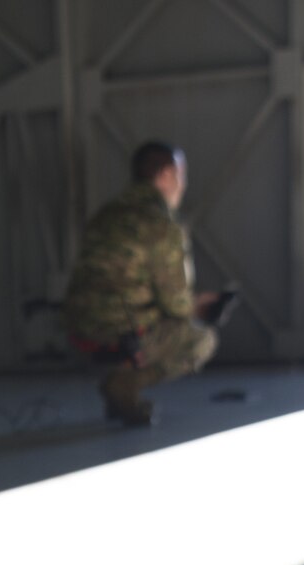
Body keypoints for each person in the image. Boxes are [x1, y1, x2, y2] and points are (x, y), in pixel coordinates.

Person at [65, 141, 222, 427]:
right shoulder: (162, 224)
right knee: (202, 340)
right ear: (165, 176)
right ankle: (124, 386)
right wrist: (198, 307)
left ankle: (120, 387)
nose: (182, 185)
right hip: (124, 334)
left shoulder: (105, 214)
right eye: (181, 176)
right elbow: (175, 303)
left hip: (79, 328)